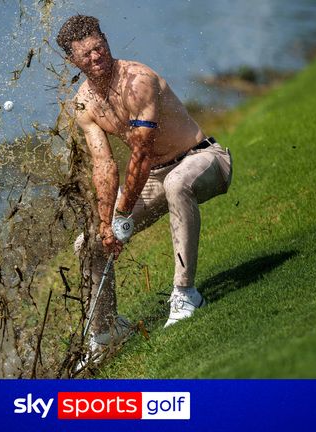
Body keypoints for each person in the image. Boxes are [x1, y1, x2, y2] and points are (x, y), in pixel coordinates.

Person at [56, 15, 233, 360]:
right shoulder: (83, 104)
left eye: (99, 47)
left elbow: (141, 151)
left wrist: (123, 215)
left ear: (106, 40)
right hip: (156, 177)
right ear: (72, 61)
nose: (96, 57)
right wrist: (106, 223)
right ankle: (106, 330)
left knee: (177, 182)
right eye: (86, 54)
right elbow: (104, 165)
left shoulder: (137, 80)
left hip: (202, 159)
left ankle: (185, 295)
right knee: (88, 241)